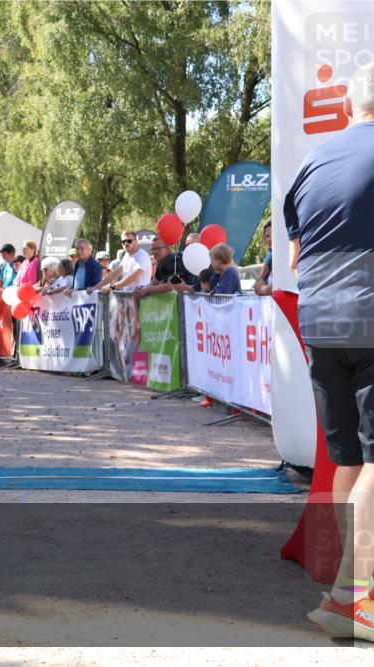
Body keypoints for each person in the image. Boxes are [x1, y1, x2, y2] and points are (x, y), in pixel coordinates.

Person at [285, 64, 374, 640]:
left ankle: (354, 583)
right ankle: (351, 597)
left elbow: (294, 261)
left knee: (347, 461)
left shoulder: (314, 161)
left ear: (350, 107)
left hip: (321, 323)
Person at [253, 221, 274, 296]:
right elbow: (260, 278)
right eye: (267, 236)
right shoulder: (271, 254)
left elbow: (278, 287)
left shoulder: (289, 255)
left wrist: (262, 289)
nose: (270, 239)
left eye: (274, 234)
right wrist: (259, 284)